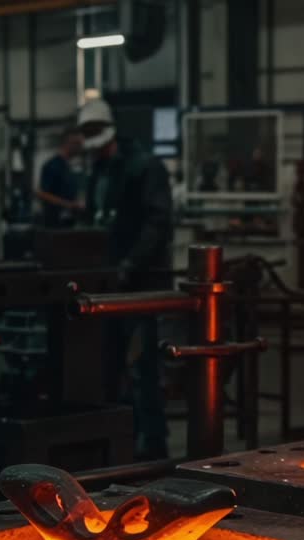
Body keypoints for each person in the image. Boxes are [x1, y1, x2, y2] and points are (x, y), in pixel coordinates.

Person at [78, 97, 173, 459]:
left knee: (142, 366)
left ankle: (154, 448)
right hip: (109, 286)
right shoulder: (99, 171)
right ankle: (119, 444)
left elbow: (157, 222)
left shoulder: (144, 167)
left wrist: (130, 263)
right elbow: (96, 220)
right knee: (109, 365)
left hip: (141, 287)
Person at [35, 127, 85, 228]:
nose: (80, 147)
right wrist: (68, 205)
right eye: (77, 144)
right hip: (55, 224)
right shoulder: (53, 165)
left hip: (67, 222)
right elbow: (42, 194)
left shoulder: (68, 166)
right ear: (68, 143)